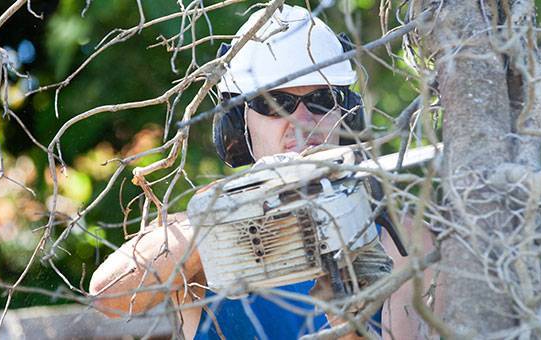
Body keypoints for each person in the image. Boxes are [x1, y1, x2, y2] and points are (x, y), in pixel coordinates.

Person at [89, 5, 425, 339]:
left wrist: (346, 312)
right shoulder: (198, 225)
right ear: (239, 123)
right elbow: (109, 299)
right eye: (274, 103)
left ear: (346, 113)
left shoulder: (400, 235)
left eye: (321, 99)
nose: (301, 122)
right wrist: (233, 217)